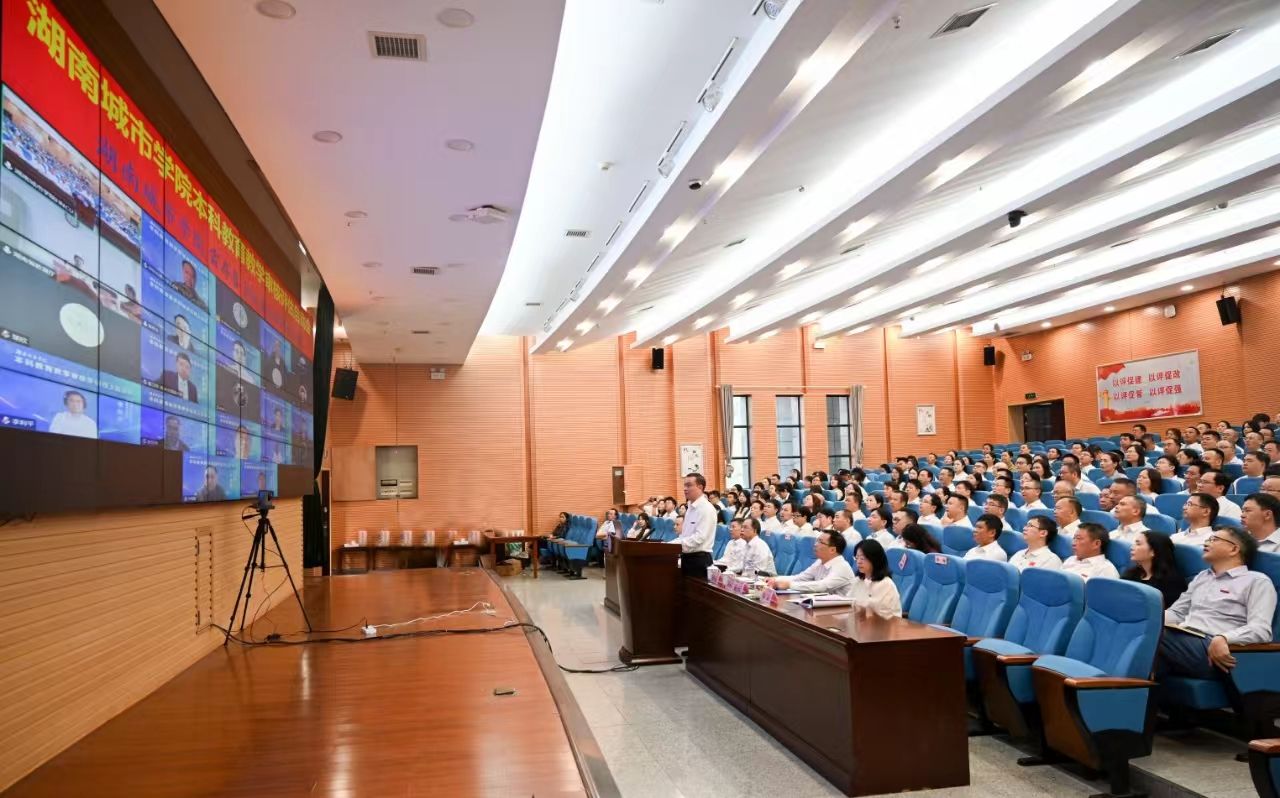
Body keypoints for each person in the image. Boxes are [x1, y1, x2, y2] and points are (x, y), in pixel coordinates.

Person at [1157, 526, 1276, 681]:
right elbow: (1177, 613)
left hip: (1215, 648)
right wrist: (1148, 621)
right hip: (1184, 638)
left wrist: (1224, 638)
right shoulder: (1202, 577)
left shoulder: (1257, 581)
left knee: (1154, 637)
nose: (1206, 543)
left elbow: (1261, 630)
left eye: (1214, 539)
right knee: (1149, 644)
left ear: (1234, 549)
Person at [768, 530, 855, 595]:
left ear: (832, 550)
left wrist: (790, 585)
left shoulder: (842, 567)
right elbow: (800, 578)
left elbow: (822, 586)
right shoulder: (820, 561)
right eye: (817, 541)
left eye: (820, 542)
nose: (815, 544)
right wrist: (774, 580)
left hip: (843, 611)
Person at [1121, 531, 1185, 608]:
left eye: (1138, 544)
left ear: (1153, 551)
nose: (1132, 547)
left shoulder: (1172, 581)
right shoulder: (1130, 574)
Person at [673, 473, 717, 577]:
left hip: (699, 560)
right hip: (687, 558)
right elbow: (685, 535)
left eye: (689, 485)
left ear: (700, 487)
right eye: (684, 485)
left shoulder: (706, 508)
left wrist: (675, 546)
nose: (685, 489)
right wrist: (669, 545)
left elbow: (699, 538)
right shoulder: (690, 508)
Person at [849, 539, 902, 617]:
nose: (858, 562)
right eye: (856, 558)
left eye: (862, 558)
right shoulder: (858, 580)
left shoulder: (886, 584)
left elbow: (884, 614)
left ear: (875, 559)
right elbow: (849, 602)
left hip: (884, 623)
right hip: (861, 621)